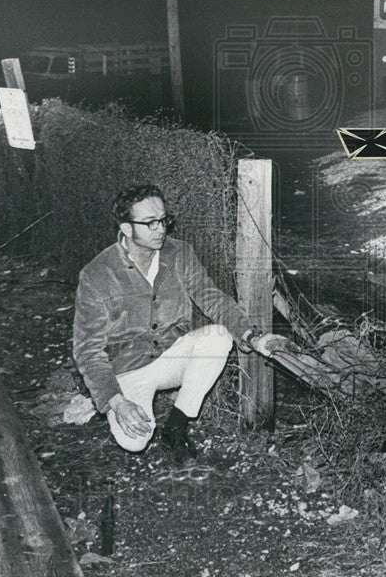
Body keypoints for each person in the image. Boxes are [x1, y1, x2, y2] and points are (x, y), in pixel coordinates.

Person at [72, 185, 282, 464]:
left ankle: (176, 426)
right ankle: (134, 411)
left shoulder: (179, 253)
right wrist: (116, 401)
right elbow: (87, 351)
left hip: (172, 356)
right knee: (134, 441)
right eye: (150, 223)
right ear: (125, 227)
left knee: (218, 337)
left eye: (164, 220)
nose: (161, 229)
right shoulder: (97, 274)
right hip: (127, 369)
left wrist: (251, 335)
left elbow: (212, 299)